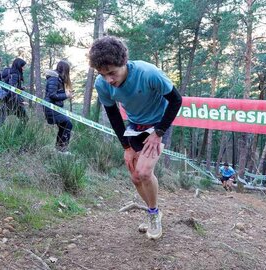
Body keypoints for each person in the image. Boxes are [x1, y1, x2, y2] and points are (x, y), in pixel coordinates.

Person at [88, 36, 182, 240]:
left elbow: (176, 100)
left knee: (145, 172)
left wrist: (158, 132)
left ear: (124, 63)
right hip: (135, 126)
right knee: (135, 176)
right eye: (103, 75)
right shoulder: (102, 84)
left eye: (112, 73)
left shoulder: (148, 73)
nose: (109, 80)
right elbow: (113, 114)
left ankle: (155, 215)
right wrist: (126, 147)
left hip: (159, 123)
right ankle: (152, 212)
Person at [44, 60, 73, 153]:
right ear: (64, 69)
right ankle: (61, 150)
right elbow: (52, 95)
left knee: (64, 125)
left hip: (55, 107)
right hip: (50, 107)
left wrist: (66, 93)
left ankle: (59, 149)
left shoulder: (57, 78)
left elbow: (56, 94)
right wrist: (66, 95)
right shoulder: (54, 78)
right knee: (67, 124)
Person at [0, 57, 28, 126]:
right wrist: (21, 101)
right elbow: (12, 90)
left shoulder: (12, 73)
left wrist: (21, 88)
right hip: (12, 101)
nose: (24, 68)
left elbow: (11, 87)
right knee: (25, 119)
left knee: (1, 119)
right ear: (19, 66)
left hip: (8, 100)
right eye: (23, 66)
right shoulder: (15, 75)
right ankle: (17, 135)